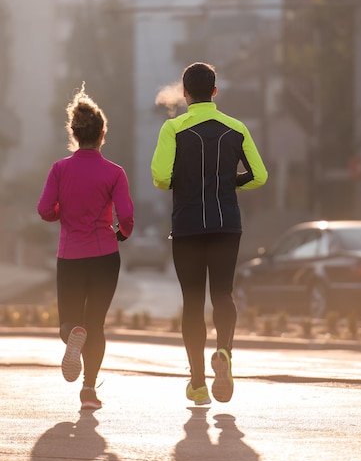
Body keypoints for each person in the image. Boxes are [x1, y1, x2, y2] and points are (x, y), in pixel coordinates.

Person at [151, 62, 268, 405]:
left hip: (187, 226)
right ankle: (225, 352)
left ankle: (198, 384)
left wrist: (186, 183)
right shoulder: (236, 128)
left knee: (192, 302)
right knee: (223, 295)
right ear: (214, 92)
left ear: (185, 94)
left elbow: (160, 177)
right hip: (226, 224)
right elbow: (259, 176)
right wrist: (228, 184)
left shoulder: (174, 128)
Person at [37, 83, 134, 410]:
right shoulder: (115, 173)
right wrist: (121, 233)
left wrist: (63, 213)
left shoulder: (60, 170)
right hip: (105, 256)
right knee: (97, 324)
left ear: (74, 133)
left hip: (71, 256)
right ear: (102, 132)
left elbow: (44, 210)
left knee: (71, 322)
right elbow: (128, 216)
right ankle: (89, 390)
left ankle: (70, 336)